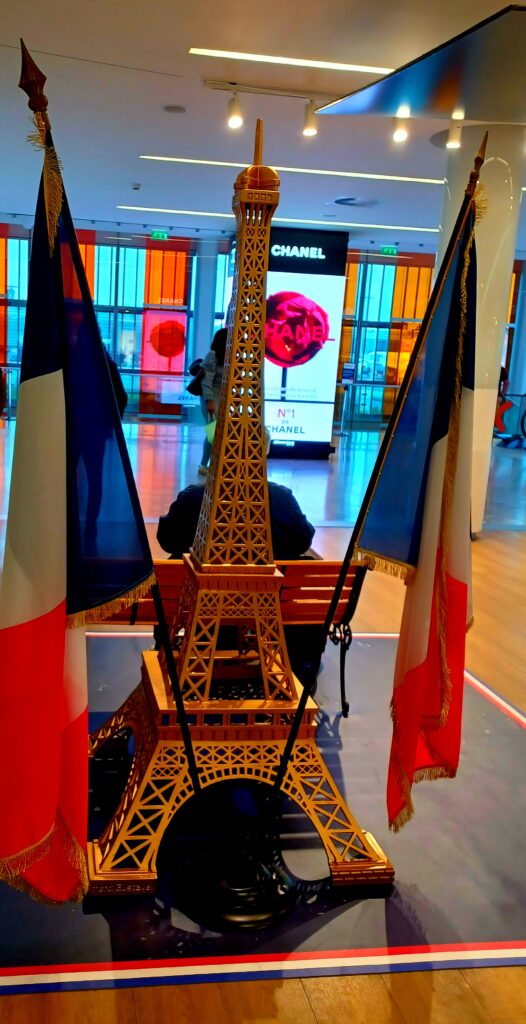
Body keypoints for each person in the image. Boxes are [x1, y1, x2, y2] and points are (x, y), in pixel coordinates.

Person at [157, 479, 321, 686]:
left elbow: (167, 540)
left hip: (201, 605)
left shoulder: (194, 495)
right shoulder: (282, 498)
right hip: (266, 605)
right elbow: (302, 541)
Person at [198, 327, 228, 475]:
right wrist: (209, 400)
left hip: (222, 398)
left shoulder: (229, 356)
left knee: (217, 432)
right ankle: (204, 464)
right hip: (209, 397)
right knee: (213, 432)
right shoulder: (213, 355)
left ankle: (213, 464)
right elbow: (206, 380)